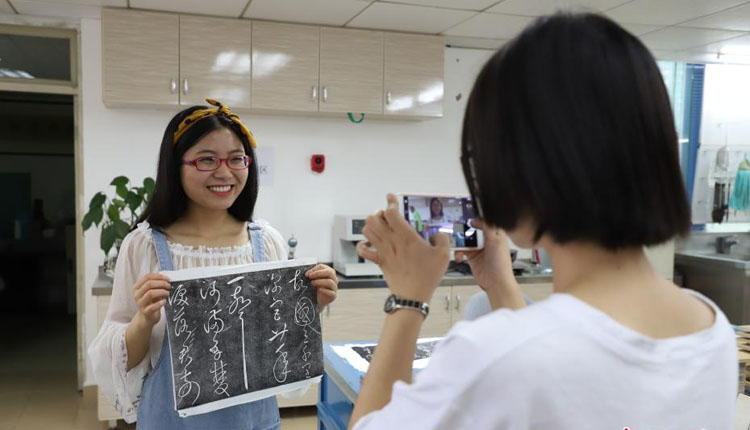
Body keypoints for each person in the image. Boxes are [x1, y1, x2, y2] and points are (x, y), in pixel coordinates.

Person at [350, 13, 736, 430]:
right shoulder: (713, 331)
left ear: (522, 166)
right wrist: (500, 283)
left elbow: (530, 360)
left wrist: (408, 299)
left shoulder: (492, 354)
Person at [88, 99, 339, 429]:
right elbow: (120, 361)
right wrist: (144, 319)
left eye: (236, 158)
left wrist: (309, 306)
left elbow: (279, 353)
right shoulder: (144, 246)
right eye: (206, 159)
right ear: (175, 166)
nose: (224, 172)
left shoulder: (267, 243)